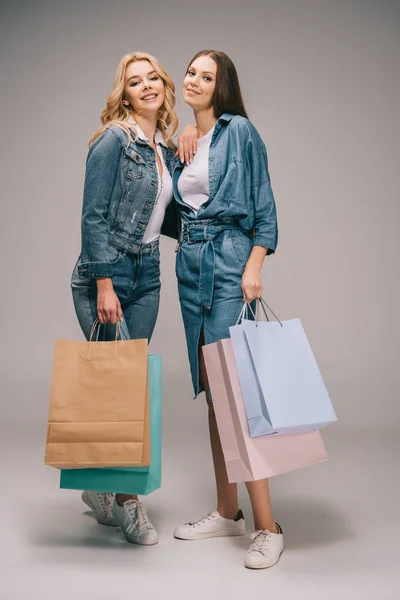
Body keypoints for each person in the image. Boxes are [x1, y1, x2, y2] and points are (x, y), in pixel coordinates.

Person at [71, 51, 195, 546]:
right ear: (124, 93)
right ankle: (128, 503)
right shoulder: (113, 141)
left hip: (148, 276)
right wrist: (104, 283)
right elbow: (92, 217)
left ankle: (101, 488)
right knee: (123, 391)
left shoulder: (162, 149)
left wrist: (192, 139)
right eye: (134, 82)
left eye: (152, 79)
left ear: (163, 86)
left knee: (127, 386)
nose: (146, 87)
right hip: (107, 275)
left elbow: (175, 214)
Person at [171, 50, 283, 569]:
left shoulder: (240, 132)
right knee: (214, 394)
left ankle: (268, 525)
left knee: (237, 394)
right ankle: (227, 509)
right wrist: (179, 146)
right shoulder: (186, 142)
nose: (194, 80)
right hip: (190, 267)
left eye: (206, 76)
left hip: (230, 262)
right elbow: (174, 210)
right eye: (191, 72)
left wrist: (254, 267)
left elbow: (264, 208)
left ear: (223, 86)